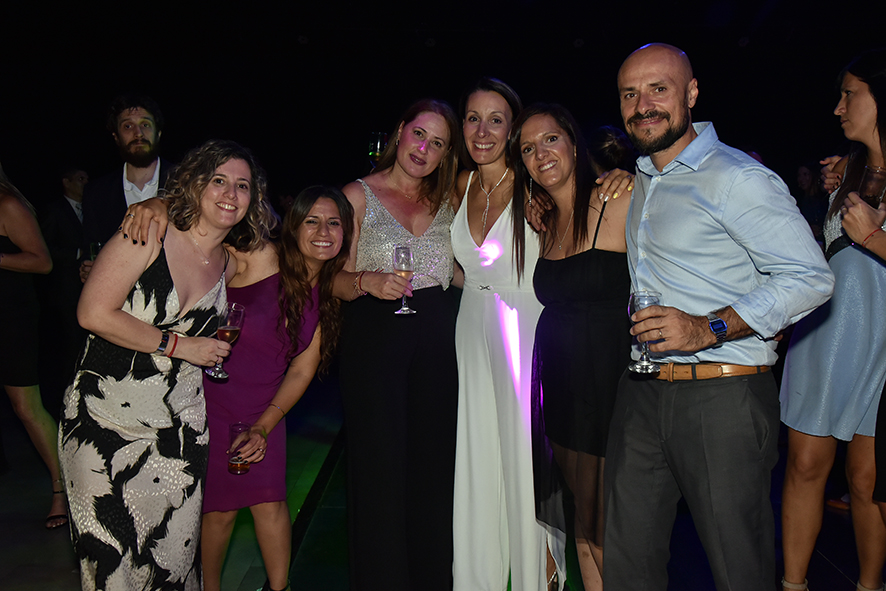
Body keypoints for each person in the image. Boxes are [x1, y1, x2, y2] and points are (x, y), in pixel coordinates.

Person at [604, 43, 834, 591]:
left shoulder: (737, 177)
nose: (643, 104)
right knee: (627, 564)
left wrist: (705, 327)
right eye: (630, 94)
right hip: (642, 392)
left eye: (658, 89)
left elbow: (811, 277)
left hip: (723, 396)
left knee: (738, 570)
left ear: (691, 93)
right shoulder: (642, 178)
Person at [59, 139, 268, 591]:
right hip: (104, 424)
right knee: (113, 568)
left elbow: (305, 264)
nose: (230, 194)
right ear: (195, 184)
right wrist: (179, 345)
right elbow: (92, 313)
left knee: (173, 564)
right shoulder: (148, 232)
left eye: (242, 185)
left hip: (180, 433)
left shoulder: (230, 263)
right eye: (218, 180)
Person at [332, 98, 460, 590]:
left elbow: (460, 272)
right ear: (401, 131)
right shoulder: (357, 195)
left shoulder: (450, 201)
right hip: (376, 345)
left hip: (438, 349)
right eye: (419, 134)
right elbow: (328, 278)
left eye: (438, 143)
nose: (424, 149)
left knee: (433, 469)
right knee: (380, 471)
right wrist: (366, 280)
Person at [200, 186, 351, 591]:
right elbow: (204, 263)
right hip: (213, 402)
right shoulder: (262, 256)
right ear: (294, 226)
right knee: (220, 511)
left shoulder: (326, 294)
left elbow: (301, 371)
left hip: (266, 410)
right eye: (312, 221)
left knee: (270, 503)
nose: (323, 231)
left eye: (334, 222)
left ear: (345, 233)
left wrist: (264, 426)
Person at [450, 79, 568, 591]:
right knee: (477, 452)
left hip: (525, 326)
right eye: (473, 118)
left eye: (495, 120)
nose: (482, 131)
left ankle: (537, 572)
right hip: (471, 325)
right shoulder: (460, 185)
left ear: (513, 128)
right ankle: (477, 577)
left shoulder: (536, 186)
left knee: (525, 455)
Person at [512, 105, 633, 591]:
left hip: (609, 388)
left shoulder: (619, 199)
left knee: (608, 529)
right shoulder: (545, 219)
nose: (540, 153)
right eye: (528, 148)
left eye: (550, 139)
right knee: (583, 519)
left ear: (575, 144)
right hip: (560, 387)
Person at [780, 49, 886, 591]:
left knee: (868, 480)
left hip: (883, 343)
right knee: (805, 465)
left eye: (849, 94)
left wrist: (874, 236)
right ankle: (792, 585)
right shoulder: (848, 171)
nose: (839, 107)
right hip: (831, 331)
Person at [0, 164, 65, 529]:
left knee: (25, 407)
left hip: (11, 318)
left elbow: (42, 262)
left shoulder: (8, 204)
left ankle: (61, 488)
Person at [80, 94, 172, 282]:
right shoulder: (96, 193)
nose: (138, 133)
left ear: (158, 133)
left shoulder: (186, 183)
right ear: (116, 137)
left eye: (145, 124)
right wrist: (87, 268)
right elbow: (91, 247)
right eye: (128, 126)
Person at [38, 167, 89, 413]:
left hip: (88, 287)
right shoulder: (54, 210)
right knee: (69, 344)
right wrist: (77, 254)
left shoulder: (91, 208)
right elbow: (44, 248)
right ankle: (65, 399)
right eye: (80, 179)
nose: (85, 183)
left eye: (87, 178)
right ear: (66, 182)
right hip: (64, 290)